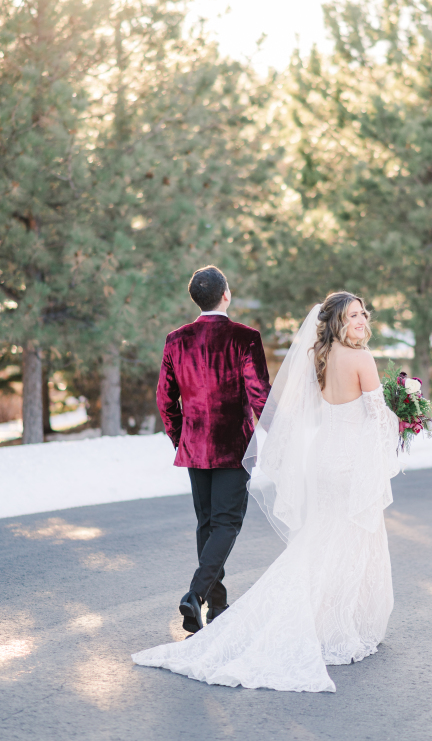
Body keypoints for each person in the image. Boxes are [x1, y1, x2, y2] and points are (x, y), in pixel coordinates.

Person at [134, 291, 401, 692]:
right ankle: (337, 626)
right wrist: (407, 417)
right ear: (339, 323)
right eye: (353, 315)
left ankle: (300, 616)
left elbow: (309, 407)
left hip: (323, 458)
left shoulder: (321, 357)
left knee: (320, 539)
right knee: (351, 538)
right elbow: (376, 418)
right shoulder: (361, 359)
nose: (362, 320)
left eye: (364, 313)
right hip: (347, 464)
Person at [155, 265, 271, 634]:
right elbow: (259, 396)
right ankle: (195, 595)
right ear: (227, 294)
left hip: (195, 446)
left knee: (207, 525)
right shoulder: (246, 337)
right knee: (227, 524)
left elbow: (164, 399)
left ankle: (218, 606)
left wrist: (181, 435)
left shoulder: (176, 339)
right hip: (233, 446)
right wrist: (278, 435)